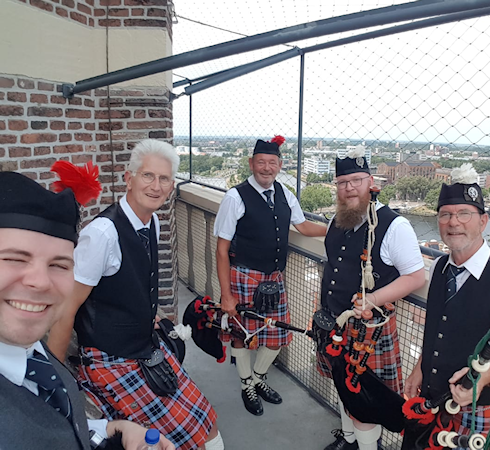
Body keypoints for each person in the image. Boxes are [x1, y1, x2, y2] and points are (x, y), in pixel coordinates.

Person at [47, 140, 224, 450]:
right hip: (110, 359)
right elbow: (65, 310)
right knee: (178, 439)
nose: (156, 186)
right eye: (147, 176)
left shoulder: (151, 222)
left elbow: (125, 285)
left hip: (145, 346)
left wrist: (144, 315)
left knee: (206, 422)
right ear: (128, 178)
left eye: (164, 178)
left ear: (172, 186)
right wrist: (58, 384)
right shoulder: (102, 234)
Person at [0, 171, 174, 450]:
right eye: (14, 259)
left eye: (59, 264)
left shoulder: (34, 354)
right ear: (129, 180)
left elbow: (58, 422)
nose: (40, 281)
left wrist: (108, 429)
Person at [401, 164, 490, 449]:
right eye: (445, 215)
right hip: (433, 397)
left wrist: (487, 377)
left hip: (479, 409)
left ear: (483, 221)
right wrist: (420, 367)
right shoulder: (439, 267)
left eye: (464, 214)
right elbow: (437, 328)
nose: (453, 222)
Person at [318, 147, 426, 450]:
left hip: (369, 330)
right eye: (342, 182)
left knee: (364, 398)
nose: (349, 188)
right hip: (334, 323)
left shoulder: (394, 226)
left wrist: (373, 297)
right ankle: (349, 439)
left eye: (356, 180)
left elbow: (417, 277)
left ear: (370, 182)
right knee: (343, 386)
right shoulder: (334, 222)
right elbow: (331, 271)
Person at [214, 135, 327, 416]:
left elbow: (303, 227)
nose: (266, 168)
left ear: (280, 165)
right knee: (240, 334)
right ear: (252, 163)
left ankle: (258, 378)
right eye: (261, 162)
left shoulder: (286, 194)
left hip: (274, 277)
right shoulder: (235, 196)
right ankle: (246, 384)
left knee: (277, 334)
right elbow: (221, 249)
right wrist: (226, 295)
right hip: (243, 275)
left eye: (272, 163)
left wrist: (337, 228)